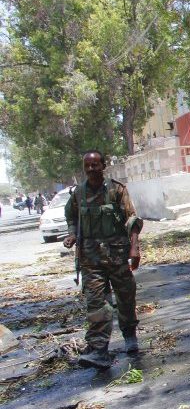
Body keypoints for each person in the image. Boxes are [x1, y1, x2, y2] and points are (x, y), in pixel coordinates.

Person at [63, 150, 143, 369]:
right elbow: (71, 216)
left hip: (117, 256)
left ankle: (130, 335)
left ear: (103, 166)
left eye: (95, 165)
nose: (91, 169)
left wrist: (134, 247)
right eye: (87, 166)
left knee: (126, 297)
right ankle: (99, 350)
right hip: (90, 260)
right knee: (97, 303)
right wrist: (71, 234)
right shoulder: (78, 193)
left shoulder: (116, 189)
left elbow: (132, 219)